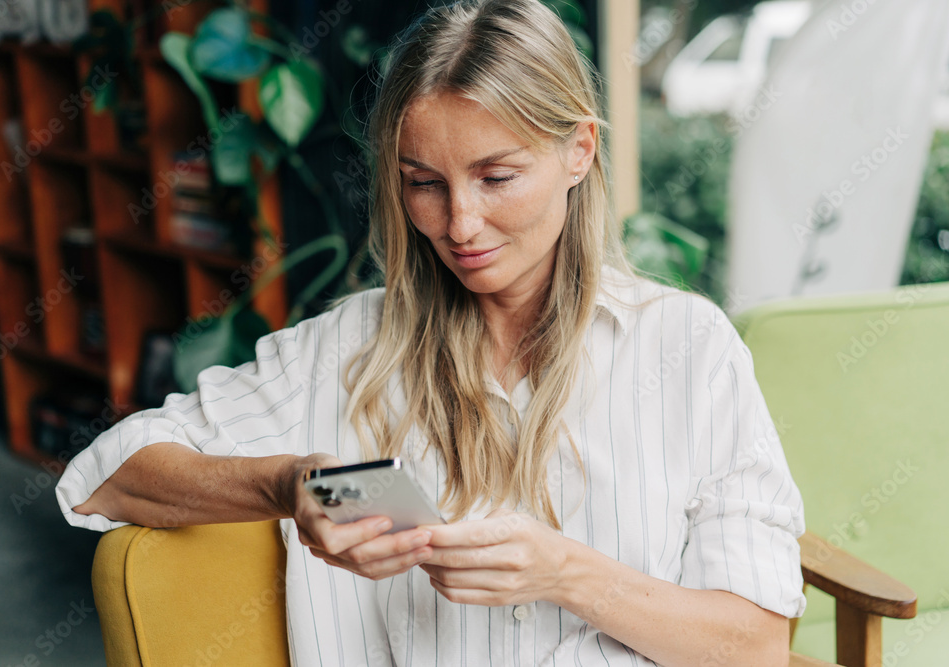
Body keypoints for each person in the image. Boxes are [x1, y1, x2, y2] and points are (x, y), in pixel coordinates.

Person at [57, 0, 806, 664]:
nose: (460, 224)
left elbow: (759, 646)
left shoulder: (689, 350)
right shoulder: (343, 351)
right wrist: (288, 484)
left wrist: (566, 574)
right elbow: (105, 477)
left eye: (496, 176)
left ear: (578, 150)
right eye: (424, 183)